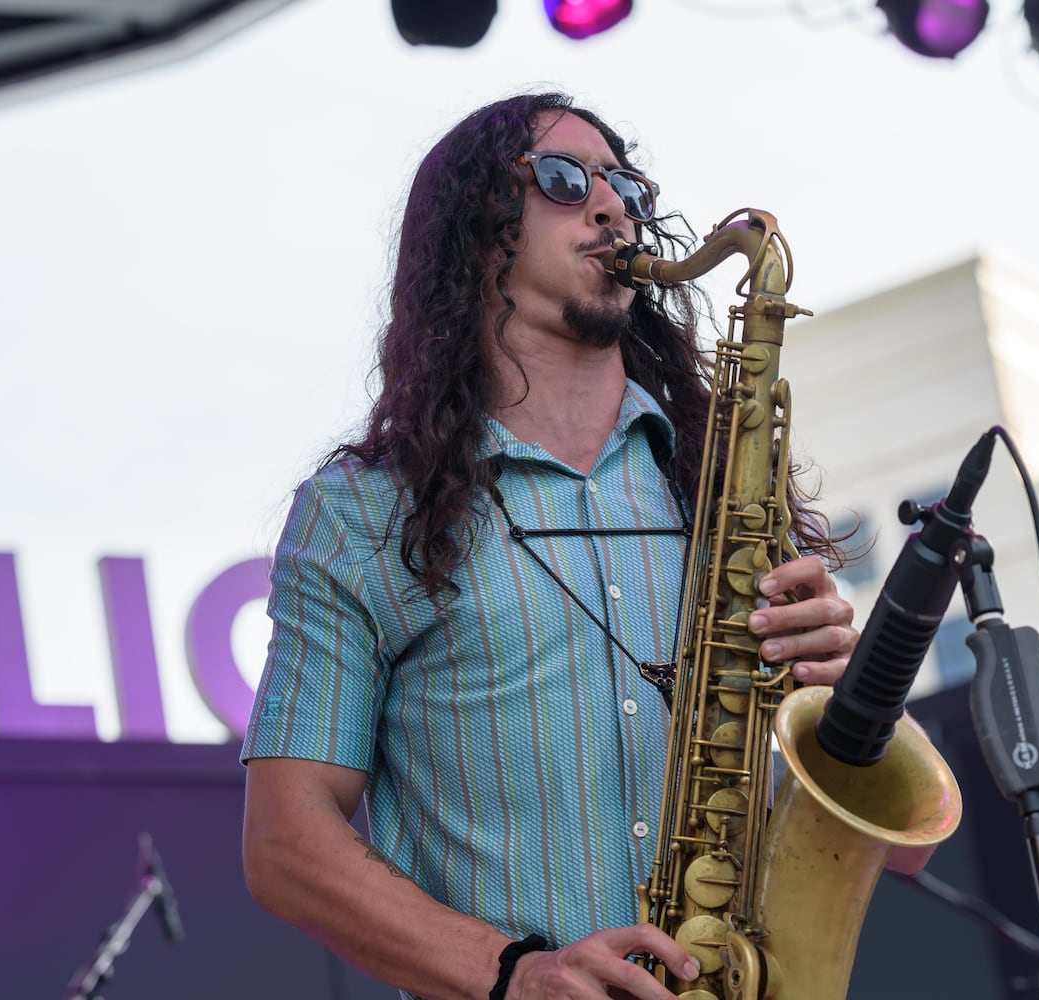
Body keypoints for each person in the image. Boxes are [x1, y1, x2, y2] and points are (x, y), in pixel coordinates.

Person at [241, 92, 867, 1000]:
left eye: (625, 186)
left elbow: (899, 850)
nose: (610, 207)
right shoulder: (361, 515)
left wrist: (848, 708)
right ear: (476, 233)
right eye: (565, 182)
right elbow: (283, 845)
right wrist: (515, 976)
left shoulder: (729, 494)